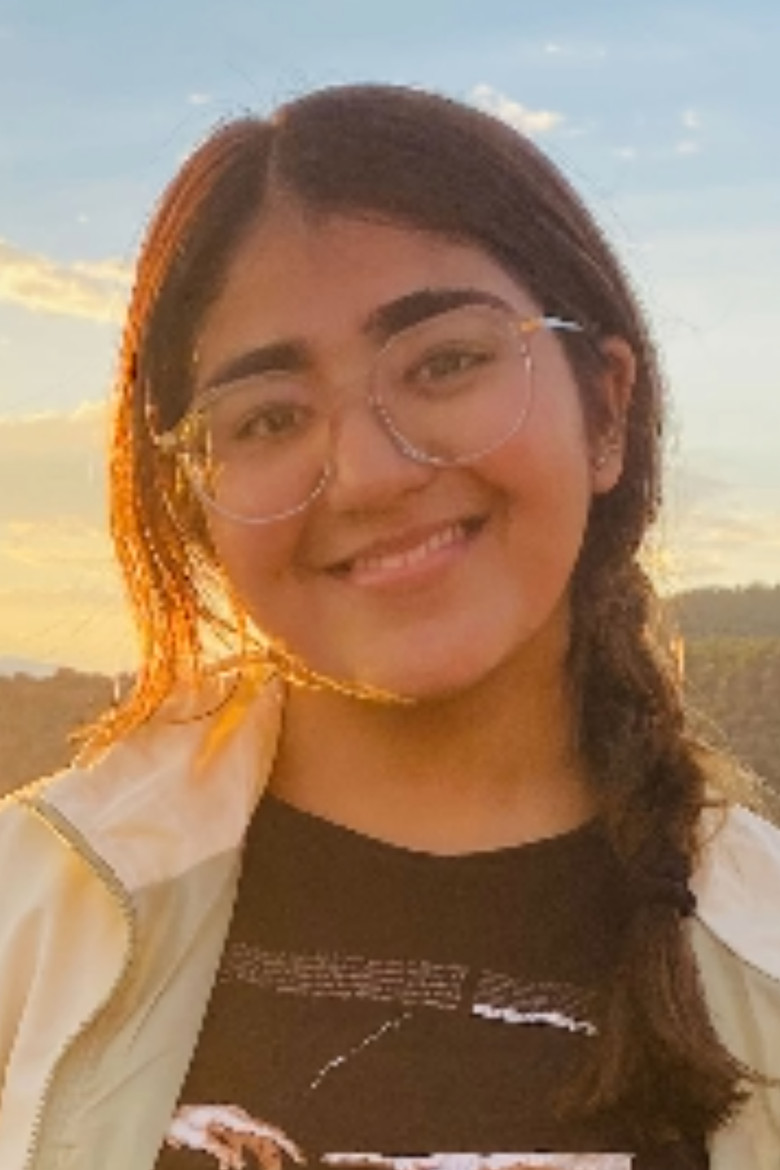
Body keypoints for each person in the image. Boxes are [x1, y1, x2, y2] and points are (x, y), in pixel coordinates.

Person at [0, 85, 778, 1170]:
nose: (369, 473)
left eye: (444, 362)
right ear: (192, 501)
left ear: (604, 409)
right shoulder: (37, 917)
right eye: (269, 417)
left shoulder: (760, 951)